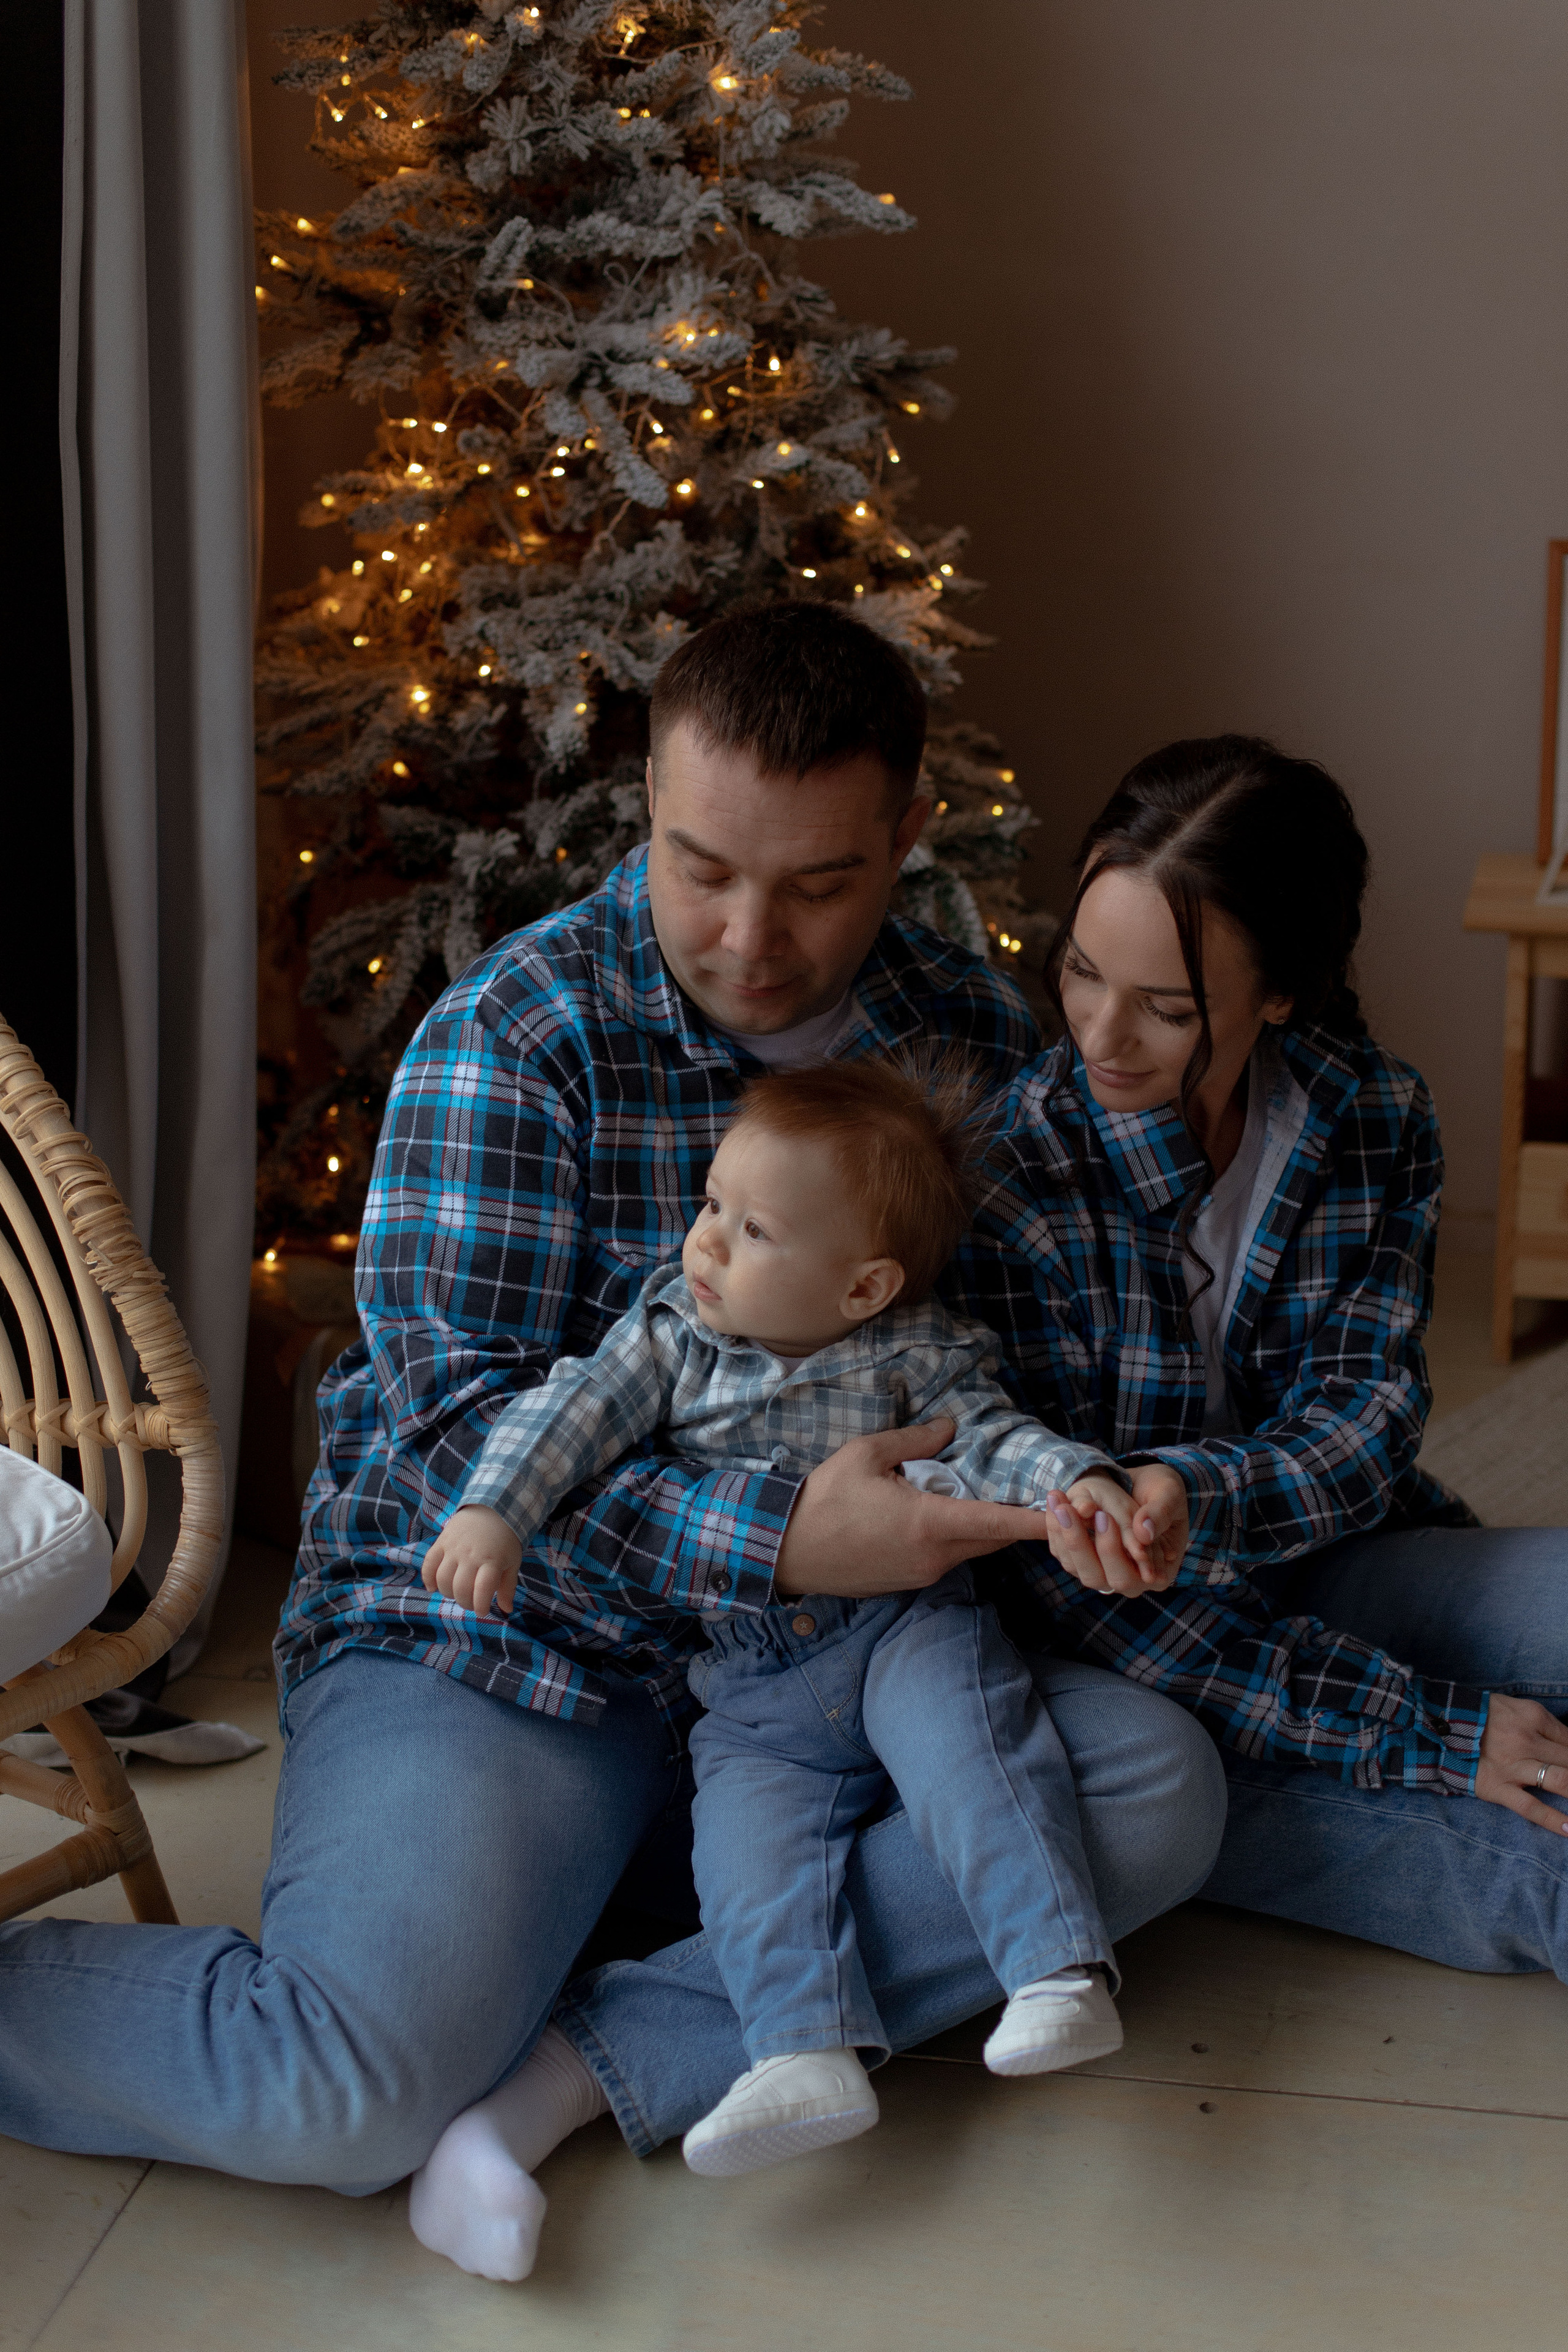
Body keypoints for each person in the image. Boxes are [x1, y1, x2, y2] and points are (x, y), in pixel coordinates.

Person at [0, 608, 1225, 2219]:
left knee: (1155, 1791)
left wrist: (1074, 1495)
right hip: (516, 1649)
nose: (749, 937)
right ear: (644, 800)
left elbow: (1010, 1390)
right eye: (702, 864)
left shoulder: (977, 1049)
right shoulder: (518, 1040)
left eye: (819, 883)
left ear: (908, 838)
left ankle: (570, 2070)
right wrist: (787, 1539)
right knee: (343, 2093)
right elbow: (457, 1433)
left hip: (814, 1686)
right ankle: (505, 1984)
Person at [533, 736, 1568, 2195]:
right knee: (1529, 1860)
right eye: (1076, 973)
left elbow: (1361, 1429)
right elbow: (1085, 1596)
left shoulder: (1365, 1112)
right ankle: (643, 2053)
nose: (1095, 1036)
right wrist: (1419, 1729)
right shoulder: (1012, 1173)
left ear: (1280, 997)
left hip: (1320, 1555)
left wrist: (1196, 1497)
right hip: (1145, 1659)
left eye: (1164, 1007)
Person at [410, 1059, 1184, 2261]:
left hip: (903, 1630)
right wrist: (494, 1513)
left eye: (752, 1227)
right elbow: (562, 1419)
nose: (706, 1242)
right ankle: (801, 2048)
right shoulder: (669, 1338)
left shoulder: (917, 1354)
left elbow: (994, 1442)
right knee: (751, 1854)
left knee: (969, 1757)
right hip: (755, 1680)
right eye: (710, 1204)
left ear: (863, 1284)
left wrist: (1078, 1480)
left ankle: (1050, 1968)